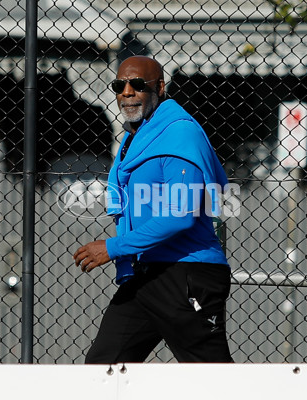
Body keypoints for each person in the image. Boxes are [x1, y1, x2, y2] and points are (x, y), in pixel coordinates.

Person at [73, 55, 233, 363]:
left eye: (137, 85)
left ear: (159, 87)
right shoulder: (137, 138)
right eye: (120, 86)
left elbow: (180, 215)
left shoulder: (178, 134)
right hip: (146, 273)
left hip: (186, 272)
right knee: (102, 368)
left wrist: (114, 247)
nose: (127, 92)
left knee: (212, 379)